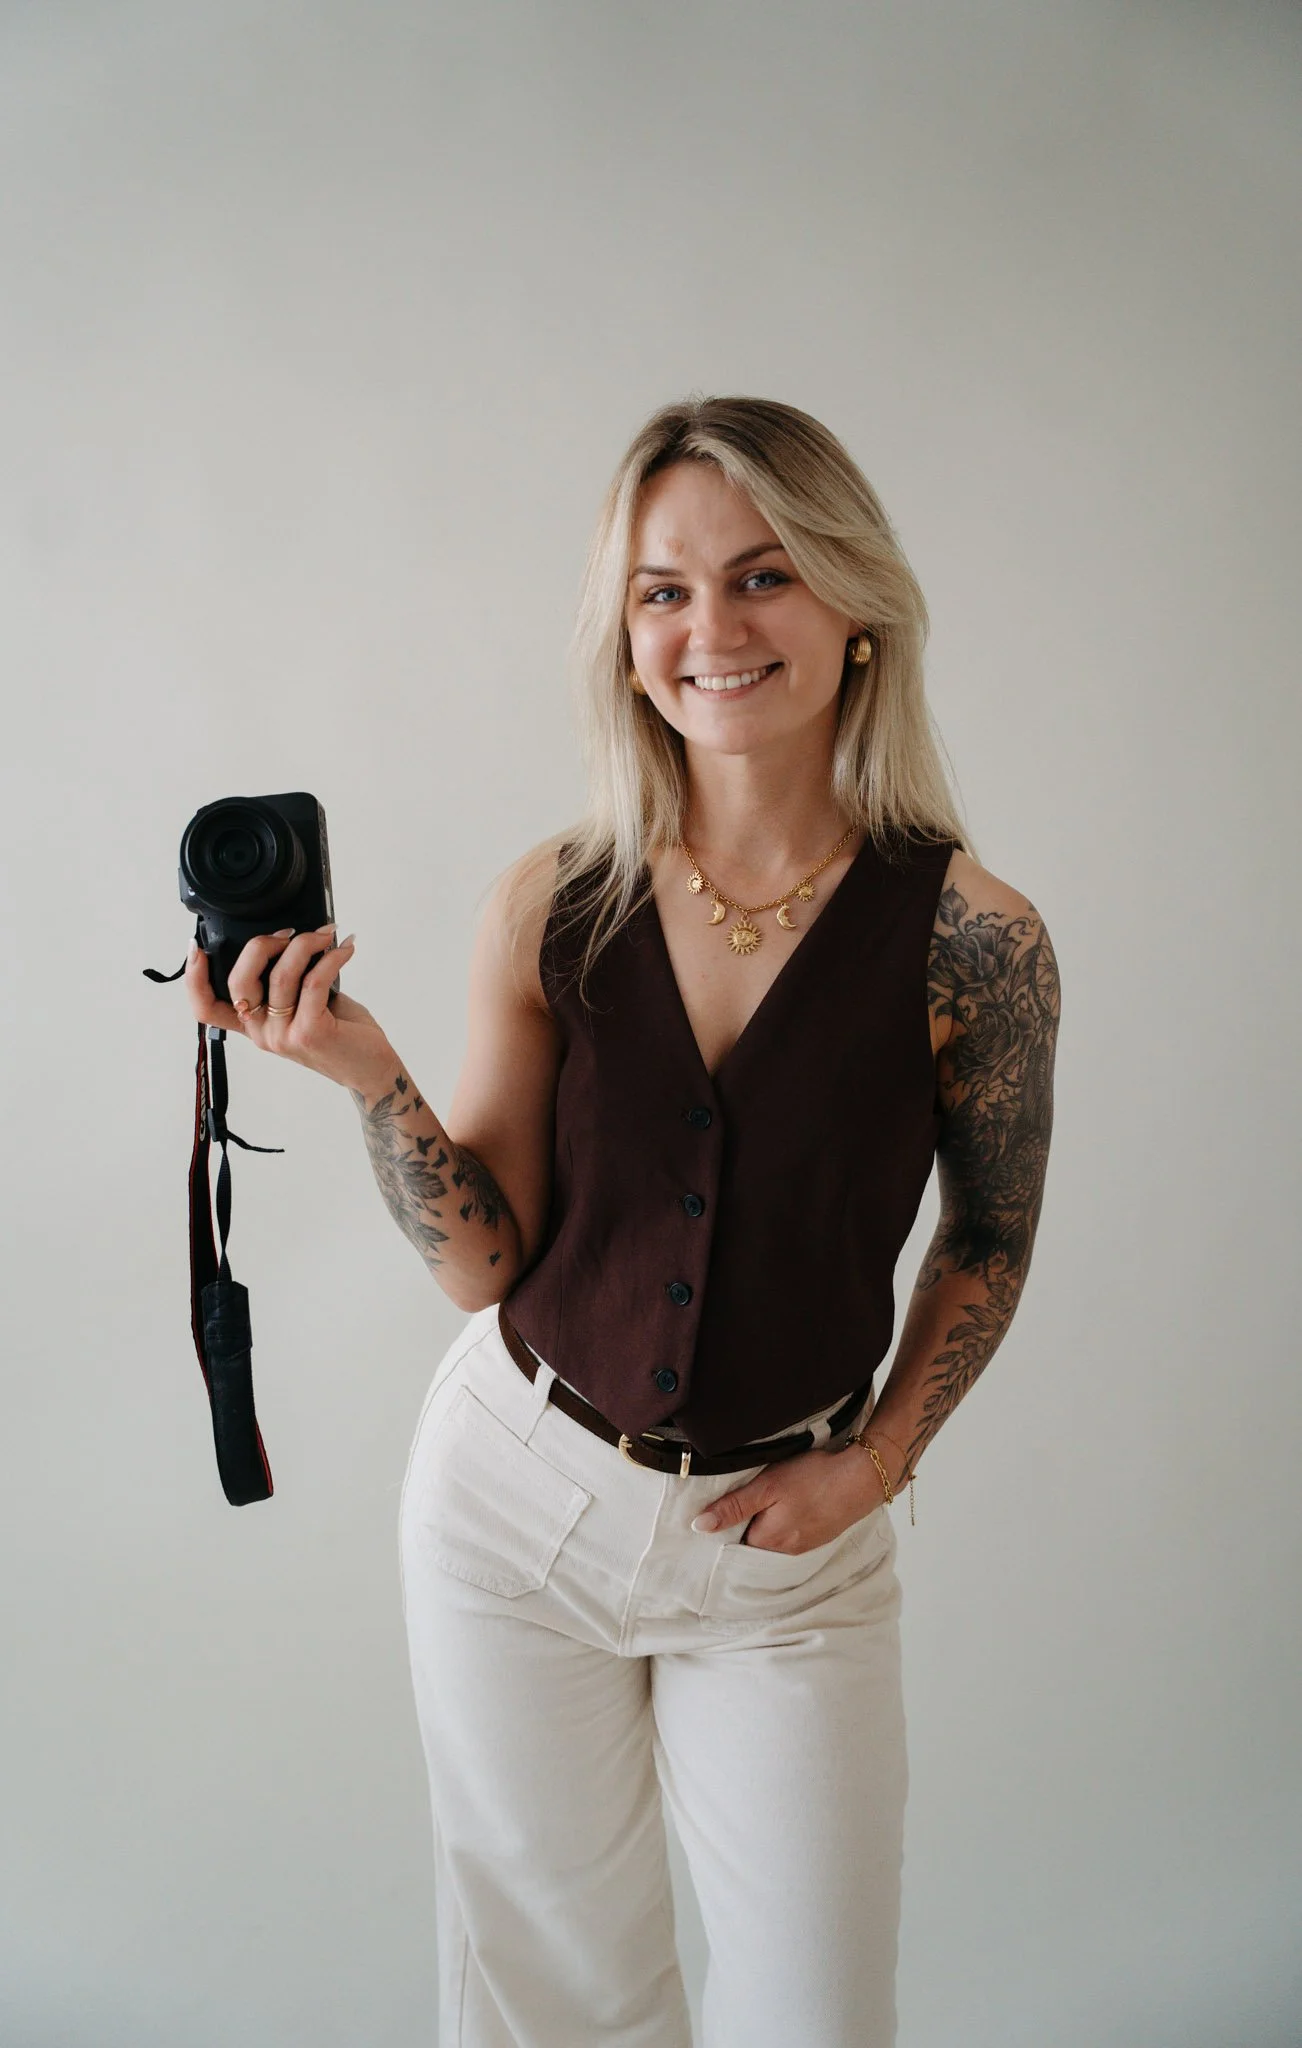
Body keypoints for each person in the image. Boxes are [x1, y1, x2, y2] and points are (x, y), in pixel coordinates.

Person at [186, 394, 1061, 2047]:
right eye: (662, 591)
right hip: (512, 1513)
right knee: (551, 2006)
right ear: (623, 630)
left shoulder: (972, 937)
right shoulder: (554, 896)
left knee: (811, 2016)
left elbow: (989, 1240)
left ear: (853, 604)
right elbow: (484, 1263)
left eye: (761, 576)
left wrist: (875, 1464)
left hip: (783, 1565)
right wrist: (376, 1085)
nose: (709, 631)